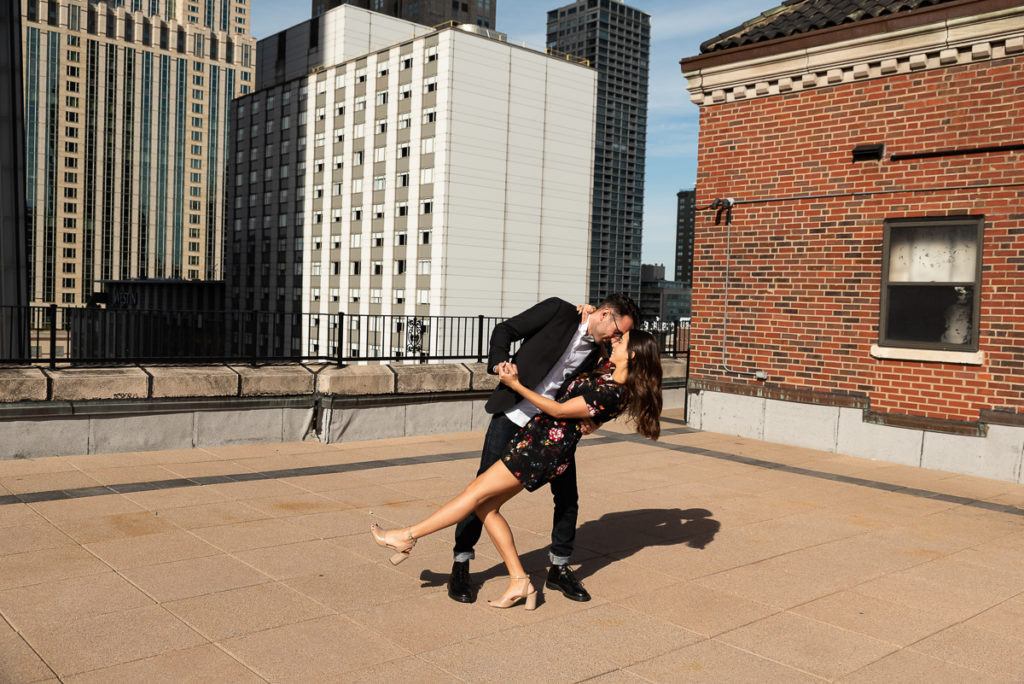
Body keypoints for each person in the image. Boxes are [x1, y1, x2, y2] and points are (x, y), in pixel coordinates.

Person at [370, 329, 663, 609]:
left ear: (634, 355)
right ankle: (519, 580)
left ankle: (407, 536)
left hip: (542, 452)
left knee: (474, 494)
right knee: (486, 507)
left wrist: (516, 386)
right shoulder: (605, 371)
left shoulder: (614, 391)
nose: (615, 341)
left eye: (622, 341)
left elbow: (559, 410)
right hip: (535, 442)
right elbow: (587, 393)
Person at [449, 294, 639, 603]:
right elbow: (505, 330)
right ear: (605, 314)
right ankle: (461, 561)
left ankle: (559, 569)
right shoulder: (558, 311)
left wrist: (596, 422)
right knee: (481, 488)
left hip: (554, 429)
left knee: (567, 497)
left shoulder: (601, 351)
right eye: (617, 330)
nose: (617, 337)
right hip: (512, 413)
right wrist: (500, 361)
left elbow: (611, 387)